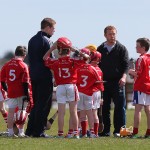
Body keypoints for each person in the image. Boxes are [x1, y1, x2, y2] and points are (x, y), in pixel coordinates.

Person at [43, 37, 88, 138]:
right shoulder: (73, 61)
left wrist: (52, 48)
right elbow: (86, 58)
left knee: (61, 112)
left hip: (60, 87)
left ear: (59, 50)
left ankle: (60, 134)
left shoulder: (55, 62)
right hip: (71, 86)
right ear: (69, 50)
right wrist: (75, 50)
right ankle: (76, 133)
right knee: (73, 111)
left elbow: (44, 58)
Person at [25, 18, 56, 138]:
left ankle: (30, 130)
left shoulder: (32, 40)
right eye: (53, 28)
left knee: (36, 103)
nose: (54, 31)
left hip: (33, 74)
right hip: (44, 75)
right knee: (44, 104)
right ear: (48, 27)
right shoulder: (47, 41)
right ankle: (39, 131)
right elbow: (50, 60)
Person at [97, 25, 129, 137]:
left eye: (114, 33)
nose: (112, 36)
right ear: (105, 35)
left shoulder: (122, 48)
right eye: (110, 34)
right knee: (104, 107)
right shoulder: (100, 49)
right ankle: (105, 131)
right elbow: (97, 66)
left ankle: (120, 131)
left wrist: (124, 77)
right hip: (103, 83)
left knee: (120, 107)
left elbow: (126, 65)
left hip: (118, 82)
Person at [0, 46, 30, 137]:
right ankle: (21, 132)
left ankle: (10, 132)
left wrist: (7, 89)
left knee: (11, 112)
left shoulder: (7, 64)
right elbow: (25, 82)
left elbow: (2, 80)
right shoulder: (23, 65)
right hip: (21, 92)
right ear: (24, 55)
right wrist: (27, 94)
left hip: (11, 92)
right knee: (22, 111)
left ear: (15, 54)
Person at [77, 48, 102, 138]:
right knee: (93, 113)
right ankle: (94, 133)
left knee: (84, 113)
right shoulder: (98, 69)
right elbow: (100, 83)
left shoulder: (80, 67)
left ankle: (84, 132)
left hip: (87, 92)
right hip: (95, 92)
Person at [128, 38, 150, 138]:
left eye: (137, 46)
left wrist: (130, 71)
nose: (136, 47)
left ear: (143, 48)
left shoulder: (141, 58)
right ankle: (148, 132)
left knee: (138, 110)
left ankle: (135, 132)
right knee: (148, 109)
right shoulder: (149, 57)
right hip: (148, 86)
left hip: (141, 86)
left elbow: (138, 74)